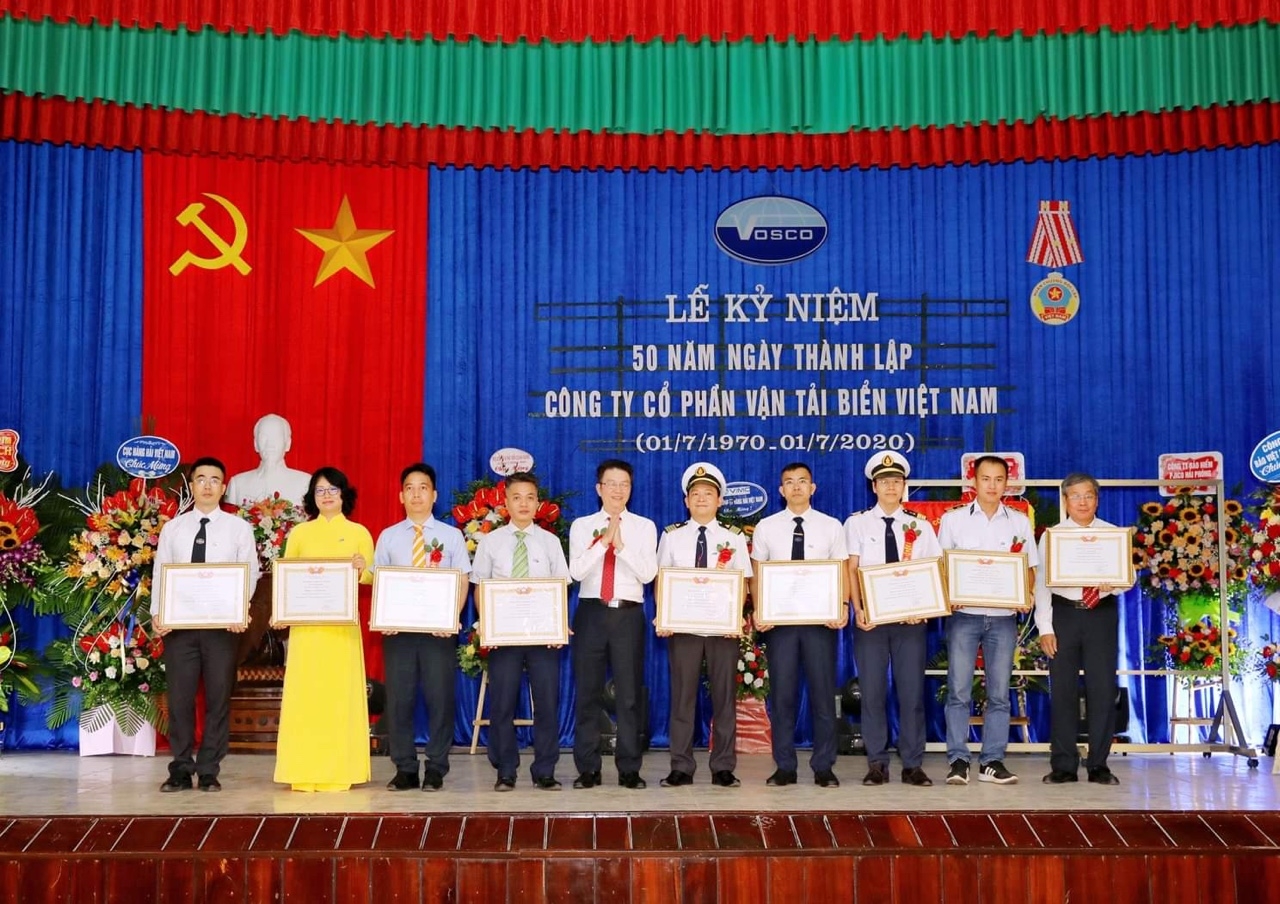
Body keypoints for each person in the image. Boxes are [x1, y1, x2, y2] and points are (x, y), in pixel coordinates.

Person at [153, 456, 259, 792]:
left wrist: (238, 609)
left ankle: (210, 769)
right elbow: (161, 572)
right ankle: (181, 768)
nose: (208, 485)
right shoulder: (174, 528)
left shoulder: (238, 528)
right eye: (201, 479)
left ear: (223, 487)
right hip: (180, 628)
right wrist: (159, 613)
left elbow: (250, 572)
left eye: (215, 479)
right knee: (180, 699)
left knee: (218, 698)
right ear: (192, 485)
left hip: (222, 629)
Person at [938, 454, 1039, 786]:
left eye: (999, 479)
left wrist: (1026, 594)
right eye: (986, 479)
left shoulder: (1020, 522)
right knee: (958, 690)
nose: (992, 485)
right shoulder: (953, 520)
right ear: (973, 482)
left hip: (1004, 618)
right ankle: (958, 760)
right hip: (964, 615)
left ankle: (992, 760)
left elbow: (1029, 567)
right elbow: (942, 567)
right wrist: (951, 593)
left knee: (998, 693)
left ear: (1007, 483)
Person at [273, 467, 374, 792]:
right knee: (307, 698)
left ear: (344, 494)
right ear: (312, 497)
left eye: (332, 489)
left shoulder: (359, 532)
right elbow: (287, 578)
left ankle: (341, 771)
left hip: (342, 632)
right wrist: (281, 612)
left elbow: (371, 577)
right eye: (320, 490)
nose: (327, 495)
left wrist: (363, 569)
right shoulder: (300, 534)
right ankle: (303, 770)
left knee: (338, 698)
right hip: (306, 632)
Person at [845, 451, 942, 787]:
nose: (890, 486)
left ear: (904, 486)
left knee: (912, 693)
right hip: (871, 621)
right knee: (872, 693)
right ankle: (876, 763)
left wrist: (926, 608)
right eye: (884, 481)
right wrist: (857, 609)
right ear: (874, 486)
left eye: (896, 481)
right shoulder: (856, 523)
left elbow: (934, 571)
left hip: (910, 622)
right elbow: (851, 570)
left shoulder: (922, 525)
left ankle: (913, 763)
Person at [751, 462, 849, 788]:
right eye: (789, 482)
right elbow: (758, 572)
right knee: (782, 697)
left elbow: (842, 570)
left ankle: (824, 765)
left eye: (802, 482)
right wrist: (759, 610)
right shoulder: (766, 527)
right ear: (781, 490)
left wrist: (843, 605)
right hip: (780, 625)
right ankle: (785, 766)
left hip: (820, 622)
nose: (796, 487)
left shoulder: (831, 526)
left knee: (823, 695)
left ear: (813, 488)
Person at [374, 463, 470, 792]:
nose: (417, 494)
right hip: (398, 633)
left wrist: (451, 618)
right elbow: (380, 584)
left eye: (423, 487)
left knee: (439, 698)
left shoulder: (451, 536)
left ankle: (436, 767)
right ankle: (404, 767)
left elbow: (462, 581)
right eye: (410, 488)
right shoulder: (388, 536)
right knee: (399, 700)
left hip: (437, 633)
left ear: (434, 494)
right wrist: (382, 616)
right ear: (401, 496)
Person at [655, 462, 752, 789]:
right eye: (695, 494)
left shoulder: (734, 538)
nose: (701, 499)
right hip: (683, 630)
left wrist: (735, 617)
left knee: (724, 699)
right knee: (682, 698)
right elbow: (662, 580)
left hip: (721, 630)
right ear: (686, 500)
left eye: (708, 494)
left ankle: (723, 766)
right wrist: (663, 615)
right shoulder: (671, 536)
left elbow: (744, 583)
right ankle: (681, 766)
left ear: (720, 500)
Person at [470, 472, 569, 791]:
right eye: (517, 497)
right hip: (504, 636)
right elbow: (479, 587)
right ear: (505, 503)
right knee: (502, 703)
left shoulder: (550, 542)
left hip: (542, 636)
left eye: (529, 497)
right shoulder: (490, 542)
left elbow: (561, 589)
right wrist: (487, 623)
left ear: (538, 503)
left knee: (546, 702)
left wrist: (558, 624)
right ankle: (506, 770)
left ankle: (544, 770)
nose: (523, 503)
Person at [1035, 473, 1130, 785]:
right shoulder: (1052, 537)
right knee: (1062, 690)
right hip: (1064, 614)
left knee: (1102, 690)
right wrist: (1045, 627)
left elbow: (1128, 579)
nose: (1082, 502)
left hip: (1100, 614)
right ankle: (1063, 765)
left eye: (1088, 495)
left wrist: (1114, 584)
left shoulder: (1114, 534)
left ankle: (1099, 764)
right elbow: (1042, 584)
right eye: (1075, 496)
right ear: (1065, 501)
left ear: (1097, 499)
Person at [569, 459, 658, 790]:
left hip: (628, 615)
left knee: (629, 695)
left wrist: (621, 548)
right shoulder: (582, 525)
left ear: (630, 489)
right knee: (587, 693)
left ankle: (629, 768)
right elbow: (577, 572)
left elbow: (648, 574)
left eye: (624, 484)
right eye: (611, 483)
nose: (618, 490)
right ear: (599, 488)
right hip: (591, 612)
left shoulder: (644, 527)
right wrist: (603, 543)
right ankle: (588, 768)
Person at [225, 414, 311, 506]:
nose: (270, 444)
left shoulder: (305, 482)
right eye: (263, 437)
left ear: (288, 443)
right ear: (255, 444)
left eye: (276, 437)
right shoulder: (238, 484)